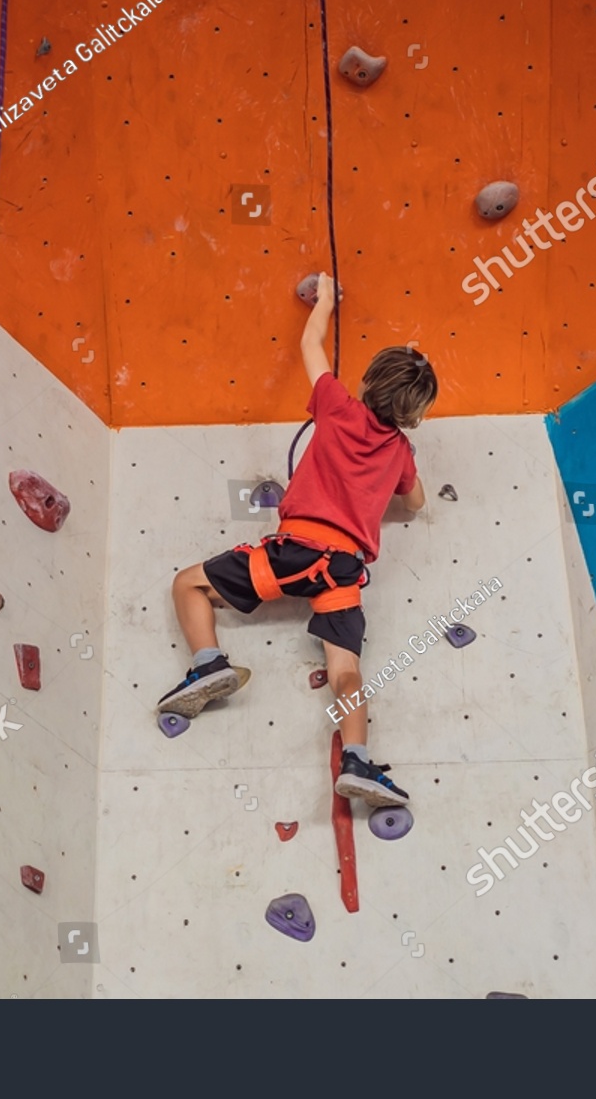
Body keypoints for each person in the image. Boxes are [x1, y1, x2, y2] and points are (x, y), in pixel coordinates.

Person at [158, 274, 437, 806]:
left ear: (368, 385)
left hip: (293, 552)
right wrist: (404, 460)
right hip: (343, 571)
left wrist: (327, 301)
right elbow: (417, 502)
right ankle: (355, 759)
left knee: (187, 586)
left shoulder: (336, 404)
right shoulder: (400, 451)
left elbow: (310, 345)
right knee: (347, 671)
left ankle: (208, 663)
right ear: (413, 413)